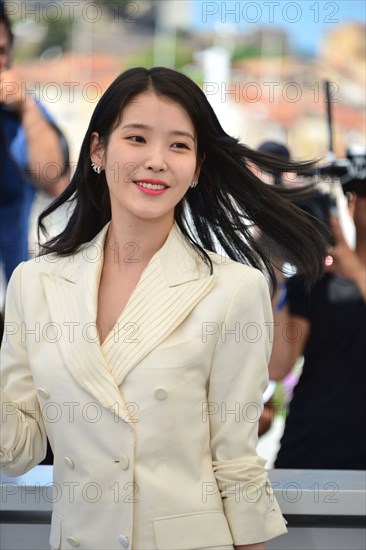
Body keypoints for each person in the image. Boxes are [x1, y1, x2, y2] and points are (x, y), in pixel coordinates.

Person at [1, 67, 328, 550]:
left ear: (197, 168)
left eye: (179, 145)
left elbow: (235, 462)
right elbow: (18, 449)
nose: (156, 160)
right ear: (98, 151)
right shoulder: (36, 283)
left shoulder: (233, 290)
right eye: (136, 138)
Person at [270, 183, 366, 470]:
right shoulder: (313, 282)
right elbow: (277, 367)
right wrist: (274, 263)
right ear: (350, 205)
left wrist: (356, 272)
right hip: (309, 453)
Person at [0, 6, 69, 285]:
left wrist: (26, 108)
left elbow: (54, 181)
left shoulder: (19, 109)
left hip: (12, 284)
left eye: (3, 50)